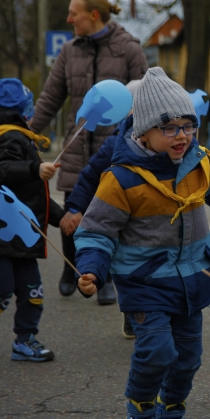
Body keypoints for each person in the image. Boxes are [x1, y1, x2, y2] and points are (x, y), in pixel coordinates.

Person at [73, 67, 210, 419]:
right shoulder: (121, 178)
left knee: (188, 358)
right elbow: (96, 230)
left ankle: (172, 411)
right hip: (145, 281)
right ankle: (140, 408)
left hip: (192, 277)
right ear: (144, 133)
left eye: (188, 125)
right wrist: (92, 268)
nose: (182, 135)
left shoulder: (198, 162)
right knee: (156, 351)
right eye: (169, 127)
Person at [30, 0, 148, 305]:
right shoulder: (69, 51)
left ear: (93, 15)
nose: (69, 19)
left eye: (74, 13)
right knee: (74, 207)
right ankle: (71, 269)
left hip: (117, 147)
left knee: (111, 214)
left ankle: (104, 276)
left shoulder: (129, 49)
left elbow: (148, 94)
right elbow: (50, 98)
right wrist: (23, 134)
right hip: (77, 143)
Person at [0, 79, 63, 361]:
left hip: (21, 233)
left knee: (33, 291)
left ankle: (25, 339)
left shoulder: (17, 135)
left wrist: (60, 218)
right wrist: (35, 167)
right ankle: (24, 338)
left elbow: (31, 195)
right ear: (25, 109)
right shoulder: (6, 136)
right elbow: (1, 169)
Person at [59, 80, 145, 336]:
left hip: (156, 222)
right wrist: (75, 207)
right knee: (129, 270)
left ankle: (151, 313)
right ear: (128, 111)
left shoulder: (168, 144)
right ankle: (133, 312)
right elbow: (88, 177)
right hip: (124, 223)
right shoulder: (115, 144)